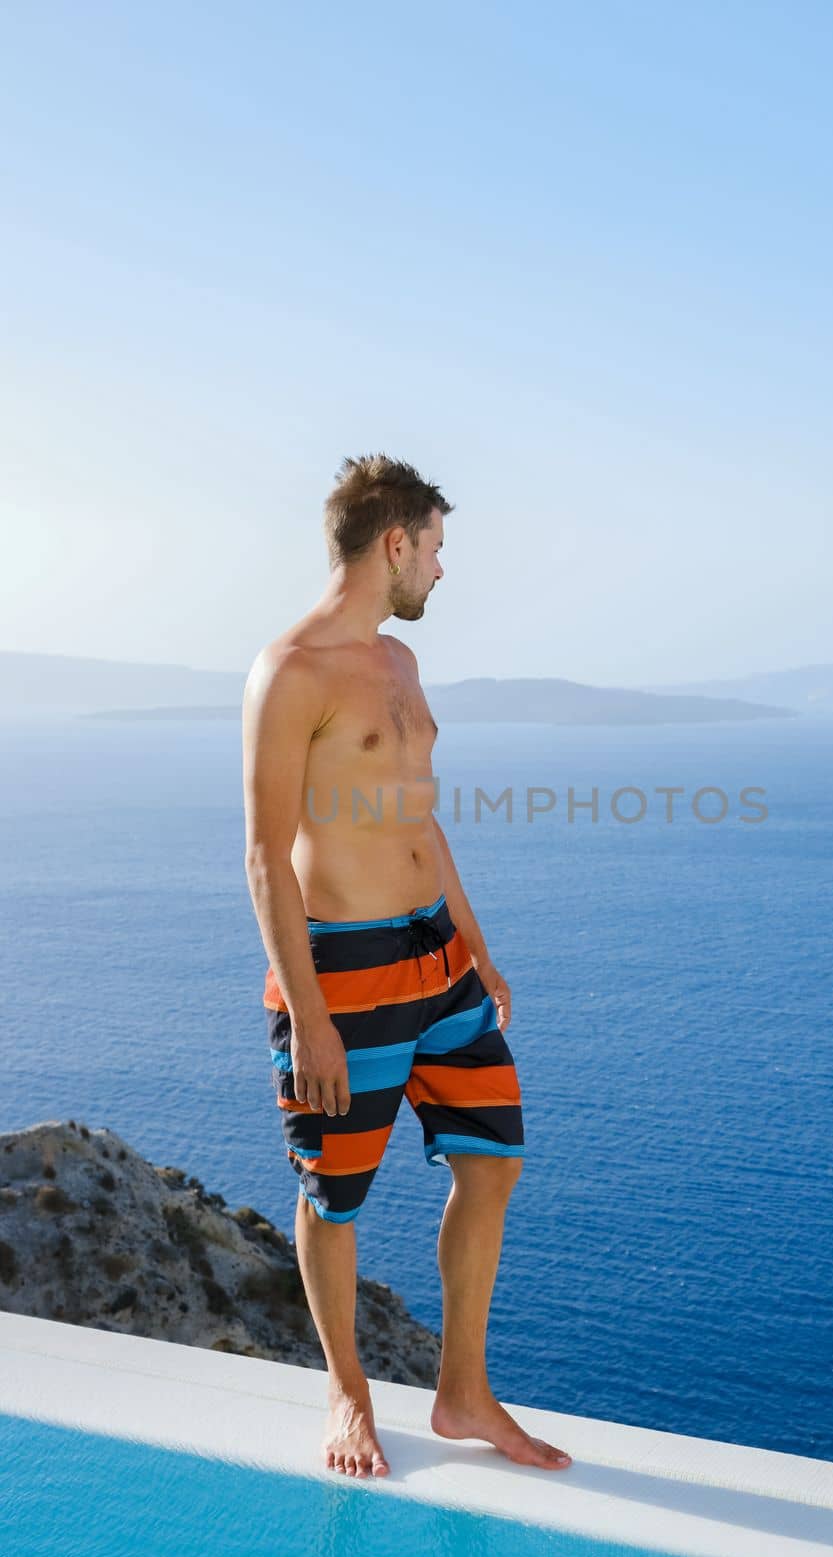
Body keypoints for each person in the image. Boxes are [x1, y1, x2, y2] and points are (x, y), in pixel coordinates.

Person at [241, 453, 572, 1480]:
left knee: (494, 1155)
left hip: (440, 959)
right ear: (393, 543)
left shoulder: (399, 664)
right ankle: (348, 1392)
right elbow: (263, 853)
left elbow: (417, 817)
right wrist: (310, 1013)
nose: (439, 569)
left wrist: (474, 940)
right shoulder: (290, 671)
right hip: (344, 976)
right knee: (335, 1198)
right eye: (433, 548)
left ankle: (462, 1393)